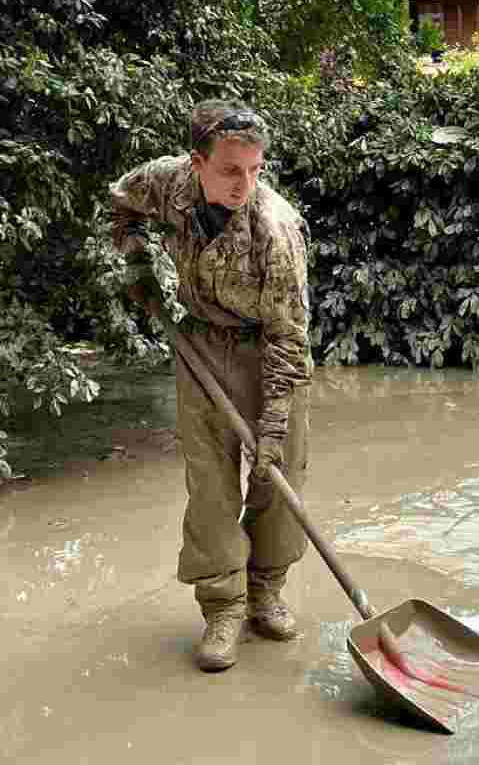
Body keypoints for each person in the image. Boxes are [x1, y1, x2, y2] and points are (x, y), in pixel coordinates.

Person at [110, 99, 312, 672]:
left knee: (280, 473)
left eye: (255, 169)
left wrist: (272, 425)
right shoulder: (165, 183)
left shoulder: (277, 228)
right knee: (211, 483)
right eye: (230, 170)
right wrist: (136, 266)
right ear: (196, 162)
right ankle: (224, 605)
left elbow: (289, 334)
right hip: (199, 344)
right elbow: (120, 207)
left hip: (271, 352)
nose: (243, 183)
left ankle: (266, 590)